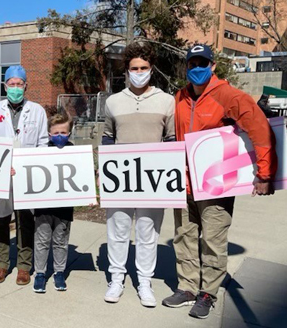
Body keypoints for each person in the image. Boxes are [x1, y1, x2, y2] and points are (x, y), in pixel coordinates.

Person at [162, 44, 277, 319]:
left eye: (203, 63)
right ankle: (188, 287)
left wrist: (264, 173)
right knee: (185, 237)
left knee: (213, 240)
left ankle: (208, 293)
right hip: (184, 183)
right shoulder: (179, 96)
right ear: (187, 67)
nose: (197, 68)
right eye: (193, 64)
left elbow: (260, 129)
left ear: (213, 66)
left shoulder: (229, 95)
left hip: (216, 185)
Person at [101, 41, 175, 307]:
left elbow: (171, 140)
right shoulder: (113, 102)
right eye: (134, 68)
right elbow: (108, 138)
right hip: (120, 178)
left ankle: (145, 282)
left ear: (151, 68)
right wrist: (103, 174)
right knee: (117, 231)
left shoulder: (167, 101)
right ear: (127, 70)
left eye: (144, 67)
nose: (139, 71)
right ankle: (116, 279)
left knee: (148, 233)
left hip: (153, 180)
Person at [0, 65, 48, 285]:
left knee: (25, 220)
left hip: (26, 174)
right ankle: (1, 264)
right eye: (12, 84)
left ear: (26, 86)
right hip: (0, 173)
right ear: (4, 86)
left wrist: (30, 165)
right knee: (0, 219)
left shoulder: (36, 110)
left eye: (19, 84)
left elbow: (43, 142)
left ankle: (24, 266)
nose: (15, 88)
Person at [32, 113, 74, 293]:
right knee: (41, 241)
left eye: (63, 132)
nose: (59, 136)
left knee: (60, 241)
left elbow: (82, 177)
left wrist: (87, 196)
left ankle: (59, 272)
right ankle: (40, 274)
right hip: (43, 207)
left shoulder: (75, 152)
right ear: (49, 134)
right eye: (55, 132)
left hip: (64, 207)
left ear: (69, 133)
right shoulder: (40, 152)